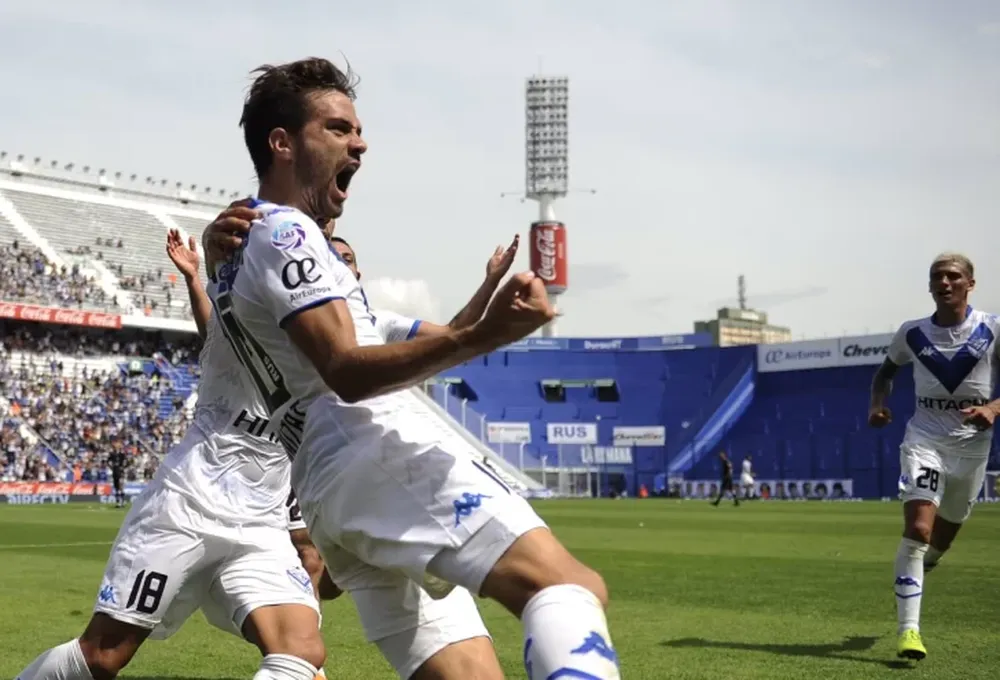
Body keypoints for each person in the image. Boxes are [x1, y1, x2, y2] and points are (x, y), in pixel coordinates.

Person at [206, 56, 619, 680]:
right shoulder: (285, 232)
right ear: (283, 143)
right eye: (339, 128)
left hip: (323, 479)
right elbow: (346, 369)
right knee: (567, 586)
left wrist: (478, 320)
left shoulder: (237, 252)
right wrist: (482, 337)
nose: (360, 142)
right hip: (372, 440)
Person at [179, 214, 520, 679]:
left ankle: (299, 657)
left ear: (353, 274)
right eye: (331, 255)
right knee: (313, 559)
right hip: (311, 464)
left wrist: (489, 285)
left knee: (334, 570)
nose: (339, 262)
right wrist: (200, 277)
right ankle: (299, 658)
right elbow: (219, 337)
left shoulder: (377, 323)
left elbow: (452, 334)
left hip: (359, 468)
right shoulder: (280, 318)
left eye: (347, 259)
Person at [15, 250, 328, 679]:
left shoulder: (327, 356)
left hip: (261, 524)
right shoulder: (245, 324)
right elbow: (219, 313)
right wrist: (203, 273)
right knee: (103, 656)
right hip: (187, 506)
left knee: (302, 651)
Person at [869, 252, 1000, 662]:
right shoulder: (912, 333)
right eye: (937, 277)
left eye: (953, 276)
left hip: (973, 448)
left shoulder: (992, 329)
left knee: (943, 538)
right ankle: (909, 631)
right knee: (919, 531)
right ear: (930, 286)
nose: (944, 282)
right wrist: (877, 404)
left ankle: (919, 572)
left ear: (969, 284)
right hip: (923, 440)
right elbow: (884, 373)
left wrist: (993, 409)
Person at [108, 444, 127, 508]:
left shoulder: (122, 455)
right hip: (115, 472)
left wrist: (123, 467)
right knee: (116, 488)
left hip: (120, 472)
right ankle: (118, 502)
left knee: (121, 486)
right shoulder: (112, 454)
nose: (115, 448)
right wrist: (111, 467)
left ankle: (122, 502)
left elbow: (126, 462)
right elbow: (108, 462)